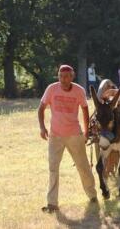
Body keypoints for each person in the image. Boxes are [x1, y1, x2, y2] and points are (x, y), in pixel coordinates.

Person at [38, 65, 97, 213]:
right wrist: (42, 127)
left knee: (83, 166)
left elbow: (85, 109)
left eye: (66, 76)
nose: (63, 79)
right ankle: (52, 203)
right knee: (53, 169)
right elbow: (41, 108)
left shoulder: (79, 91)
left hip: (74, 135)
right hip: (55, 136)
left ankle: (92, 195)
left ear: (72, 76)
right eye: (61, 76)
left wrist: (86, 131)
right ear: (58, 76)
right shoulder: (51, 89)